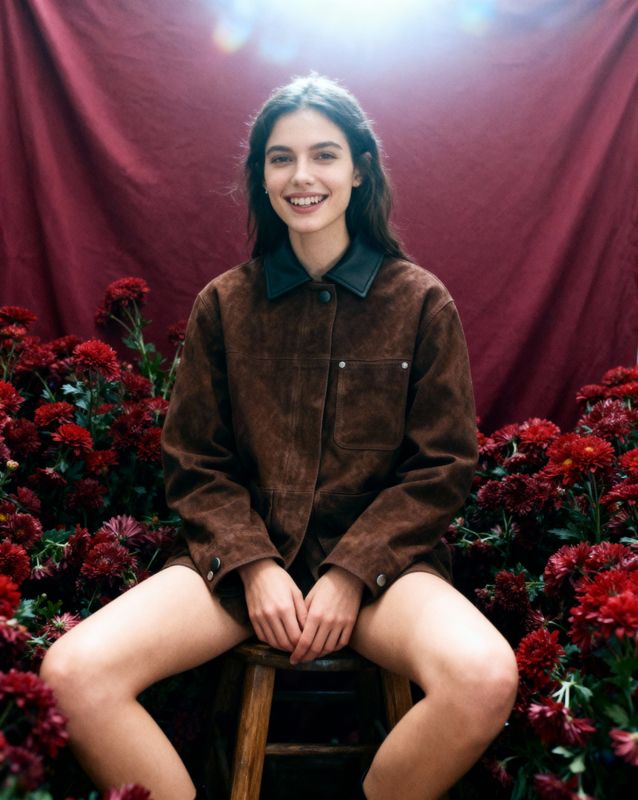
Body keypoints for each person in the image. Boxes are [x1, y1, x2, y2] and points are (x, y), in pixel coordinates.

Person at [40, 74, 518, 800]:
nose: (302, 177)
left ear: (360, 169)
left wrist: (353, 571)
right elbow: (194, 462)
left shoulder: (420, 302)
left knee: (484, 677)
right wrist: (254, 566)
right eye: (280, 157)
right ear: (261, 176)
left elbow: (441, 467)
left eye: (324, 155)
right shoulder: (225, 305)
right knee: (72, 674)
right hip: (235, 568)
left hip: (384, 578)